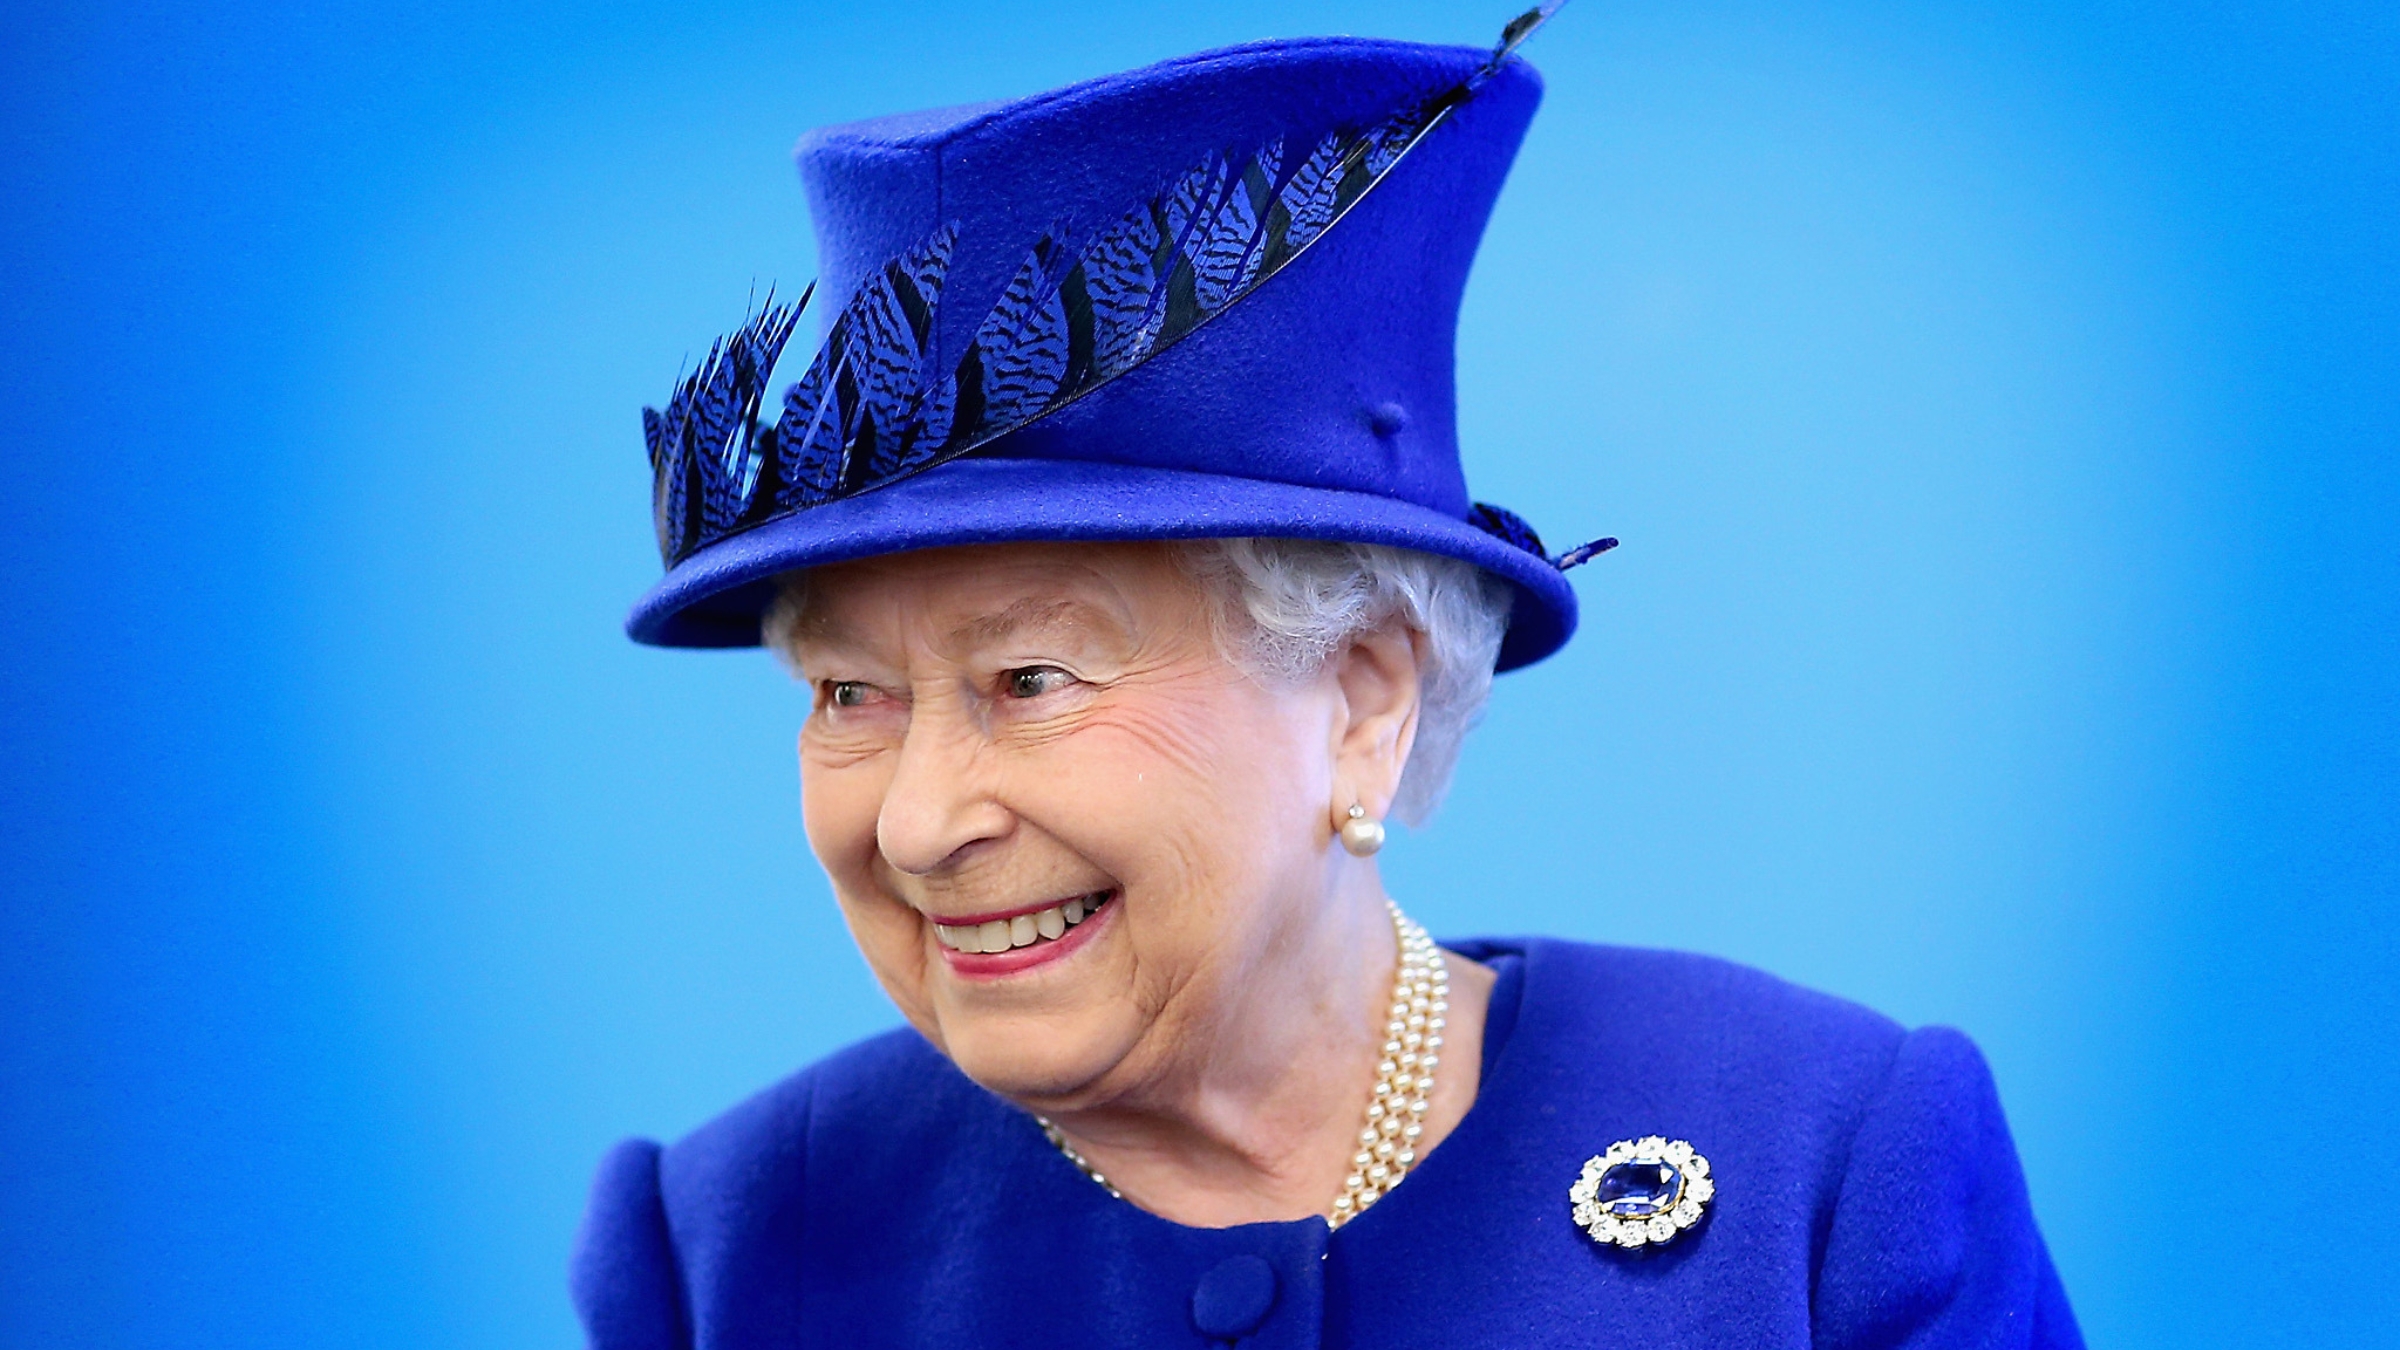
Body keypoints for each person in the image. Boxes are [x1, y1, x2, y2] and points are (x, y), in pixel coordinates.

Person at [572, 12, 2082, 1348]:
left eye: (1029, 676)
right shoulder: (725, 1257)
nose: (916, 822)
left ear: (1362, 700)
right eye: (847, 694)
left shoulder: (1820, 1178)